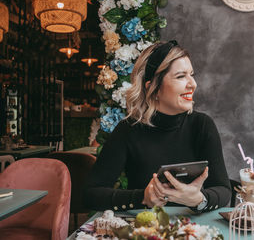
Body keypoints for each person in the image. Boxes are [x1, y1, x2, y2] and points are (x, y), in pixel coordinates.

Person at [84, 40, 231, 212]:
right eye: (181, 76)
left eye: (192, 74)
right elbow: (90, 195)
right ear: (153, 88)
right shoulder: (128, 130)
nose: (193, 84)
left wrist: (200, 199)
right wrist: (143, 198)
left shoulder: (202, 125)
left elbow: (224, 190)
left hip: (195, 231)